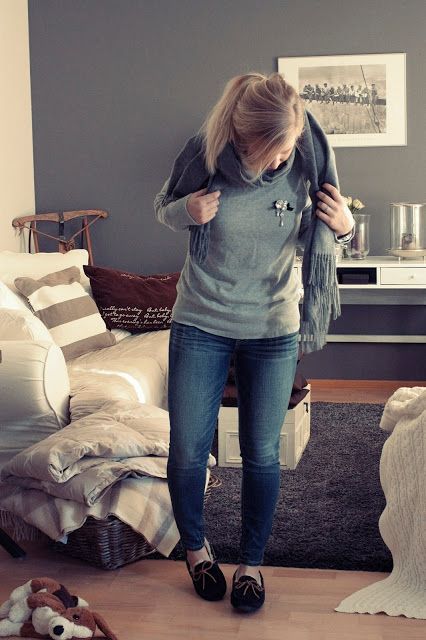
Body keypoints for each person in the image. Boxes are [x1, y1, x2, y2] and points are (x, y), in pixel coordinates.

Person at [154, 71, 354, 613]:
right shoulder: (205, 152)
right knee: (188, 450)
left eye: (284, 152)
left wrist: (344, 227)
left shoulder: (308, 158)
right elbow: (163, 206)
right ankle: (196, 550)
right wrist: (187, 212)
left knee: (262, 454)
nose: (276, 164)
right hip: (200, 322)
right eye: (266, 155)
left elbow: (320, 233)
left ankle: (251, 563)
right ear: (240, 139)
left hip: (273, 328)